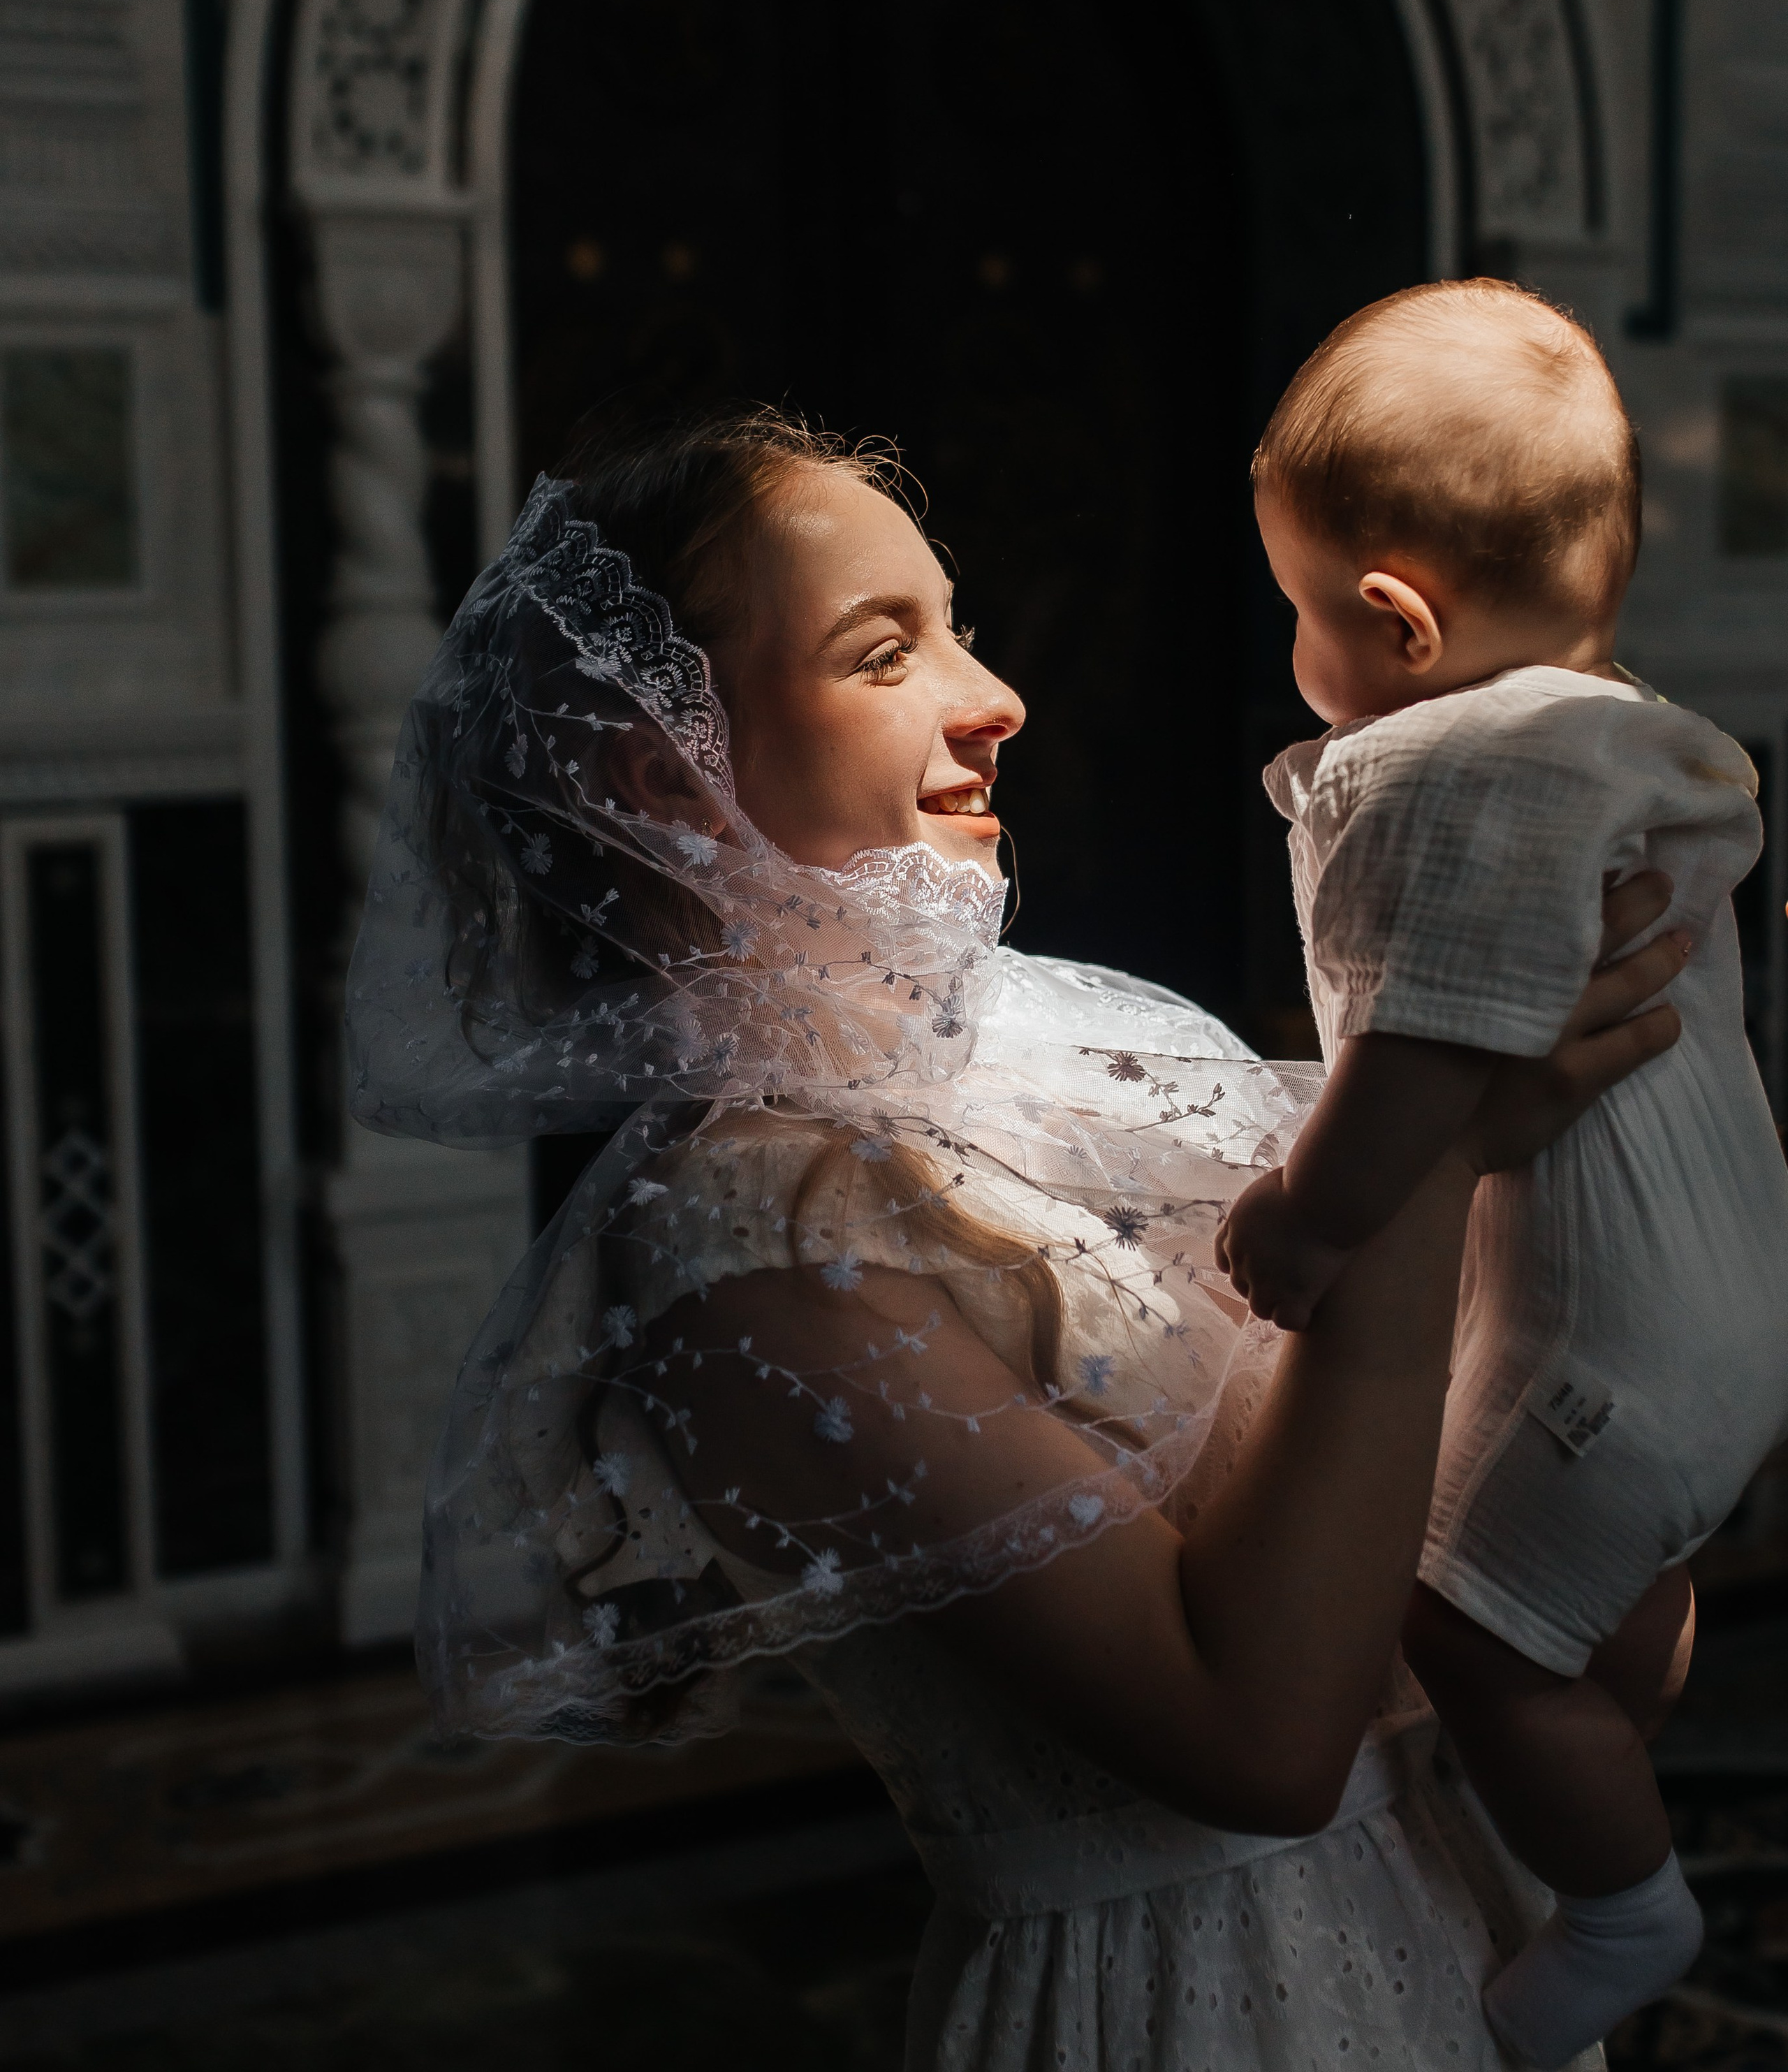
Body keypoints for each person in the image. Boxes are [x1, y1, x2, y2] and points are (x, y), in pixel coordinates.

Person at [347, 405, 1690, 2072]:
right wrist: (1425, 1160)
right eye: (882, 648)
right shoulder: (735, 1237)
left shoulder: (1061, 1037)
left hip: (1465, 1892)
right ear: (662, 767)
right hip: (1218, 1994)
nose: (992, 696)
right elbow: (1255, 1738)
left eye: (955, 625)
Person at [1218, 279, 1788, 2066]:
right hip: (1719, 1320)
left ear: (1393, 617)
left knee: (1465, 1636)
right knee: (1581, 1602)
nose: (1301, 651)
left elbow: (1429, 1055)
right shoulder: (1617, 734)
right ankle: (1594, 1754)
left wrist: (1303, 1223)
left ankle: (1625, 1911)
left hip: (1600, 1353)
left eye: (1302, 612)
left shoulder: (1451, 772)